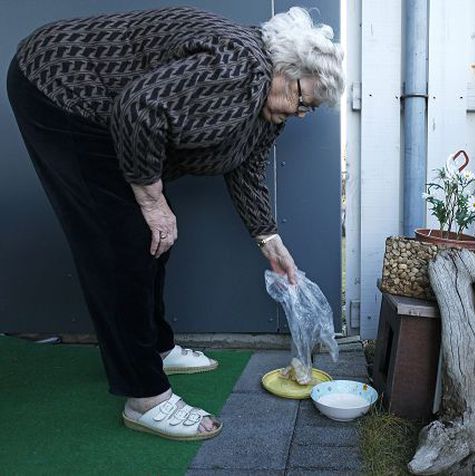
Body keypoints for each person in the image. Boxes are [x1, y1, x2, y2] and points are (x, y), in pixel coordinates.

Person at [6, 6, 344, 441]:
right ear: (286, 70)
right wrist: (151, 199)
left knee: (154, 236)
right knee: (122, 243)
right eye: (303, 100)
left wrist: (268, 238)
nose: (301, 113)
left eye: (310, 109)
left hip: (107, 111)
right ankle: (145, 397)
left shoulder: (267, 105)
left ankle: (157, 348)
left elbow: (245, 168)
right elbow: (139, 109)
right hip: (60, 87)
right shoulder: (240, 69)